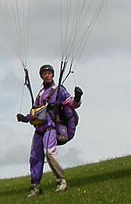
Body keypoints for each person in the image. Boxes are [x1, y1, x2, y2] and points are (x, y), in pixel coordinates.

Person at [16, 64, 83, 197]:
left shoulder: (59, 90)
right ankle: (36, 187)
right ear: (41, 76)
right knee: (35, 157)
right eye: (44, 73)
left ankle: (61, 181)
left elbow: (72, 104)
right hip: (39, 129)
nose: (47, 75)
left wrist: (78, 97)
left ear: (53, 75)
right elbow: (36, 111)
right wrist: (25, 118)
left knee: (49, 152)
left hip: (51, 127)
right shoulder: (40, 93)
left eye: (49, 73)